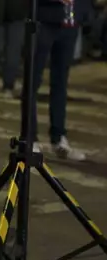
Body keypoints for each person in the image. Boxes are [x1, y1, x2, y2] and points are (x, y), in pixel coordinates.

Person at [30, 0, 92, 161]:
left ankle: (58, 138)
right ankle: (30, 138)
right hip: (44, 21)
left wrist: (84, 14)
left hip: (70, 24)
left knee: (60, 83)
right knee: (32, 81)